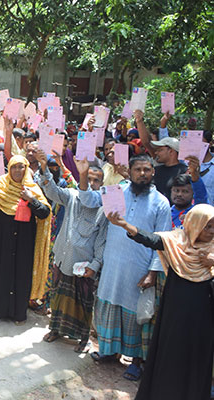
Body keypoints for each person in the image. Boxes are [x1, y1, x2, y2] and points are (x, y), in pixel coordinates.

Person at [106, 204, 214, 400]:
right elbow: (153, 239)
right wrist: (125, 225)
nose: (212, 231)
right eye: (208, 226)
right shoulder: (177, 243)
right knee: (170, 356)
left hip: (203, 322)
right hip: (175, 317)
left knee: (196, 360)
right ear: (194, 225)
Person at [79, 154, 171, 381]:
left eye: (147, 170)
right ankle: (110, 352)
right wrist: (82, 174)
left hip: (139, 268)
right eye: (138, 169)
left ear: (153, 173)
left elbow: (163, 242)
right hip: (113, 264)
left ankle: (136, 362)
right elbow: (90, 200)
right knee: (109, 307)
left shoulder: (161, 202)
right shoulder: (115, 191)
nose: (142, 174)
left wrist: (152, 273)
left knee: (137, 316)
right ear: (129, 171)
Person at [36, 153, 107, 353]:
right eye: (88, 178)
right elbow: (51, 191)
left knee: (82, 303)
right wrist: (44, 168)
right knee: (58, 297)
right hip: (62, 257)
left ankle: (83, 339)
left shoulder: (104, 208)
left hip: (83, 264)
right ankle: (55, 329)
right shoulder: (73, 195)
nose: (91, 183)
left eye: (96, 180)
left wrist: (95, 265)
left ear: (102, 184)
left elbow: (102, 241)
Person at [0, 155, 51, 324]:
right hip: (1, 239)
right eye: (14, 167)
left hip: (24, 241)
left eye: (21, 167)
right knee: (0, 271)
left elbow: (45, 212)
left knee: (21, 274)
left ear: (26, 169)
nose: (18, 171)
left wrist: (30, 200)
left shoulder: (32, 188)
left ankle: (19, 314)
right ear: (8, 169)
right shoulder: (0, 185)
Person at [134, 110, 187, 204]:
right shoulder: (156, 168)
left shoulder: (185, 172)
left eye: (160, 150)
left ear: (171, 151)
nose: (157, 152)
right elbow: (146, 142)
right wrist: (139, 121)